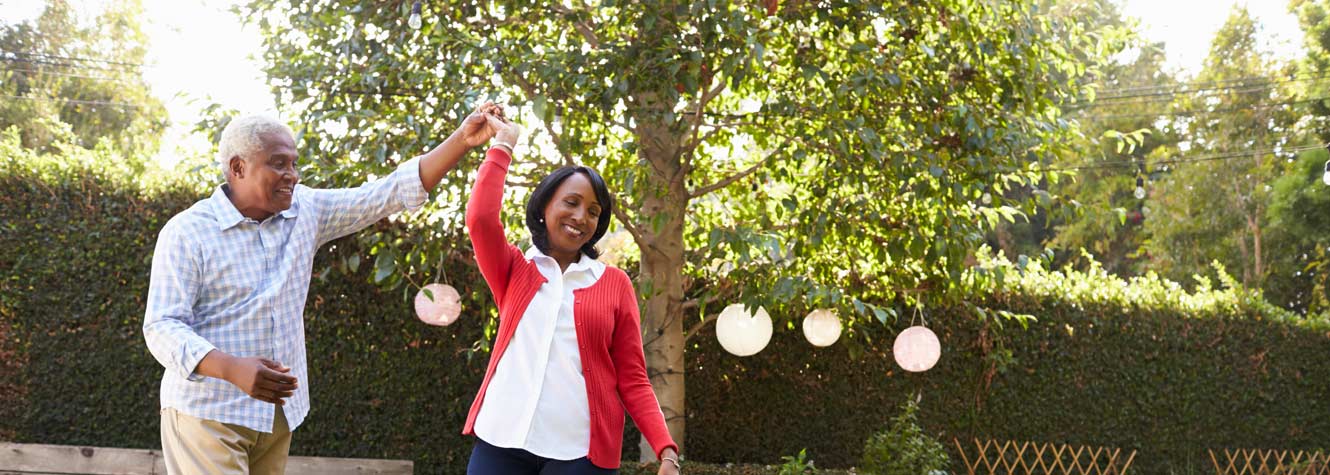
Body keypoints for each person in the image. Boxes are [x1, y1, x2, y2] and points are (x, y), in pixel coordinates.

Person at [143, 103, 504, 474]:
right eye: (278, 163)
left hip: (275, 417)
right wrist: (231, 367)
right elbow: (162, 326)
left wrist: (462, 140)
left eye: (294, 164)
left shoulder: (306, 211)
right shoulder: (187, 232)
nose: (293, 175)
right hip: (206, 412)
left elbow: (385, 193)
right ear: (238, 168)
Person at [461, 112, 681, 475]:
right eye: (571, 202)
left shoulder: (613, 283)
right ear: (545, 205)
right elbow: (481, 219)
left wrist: (666, 450)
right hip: (501, 440)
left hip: (579, 454)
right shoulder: (515, 269)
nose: (581, 216)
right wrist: (503, 144)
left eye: (594, 212)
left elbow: (632, 377)